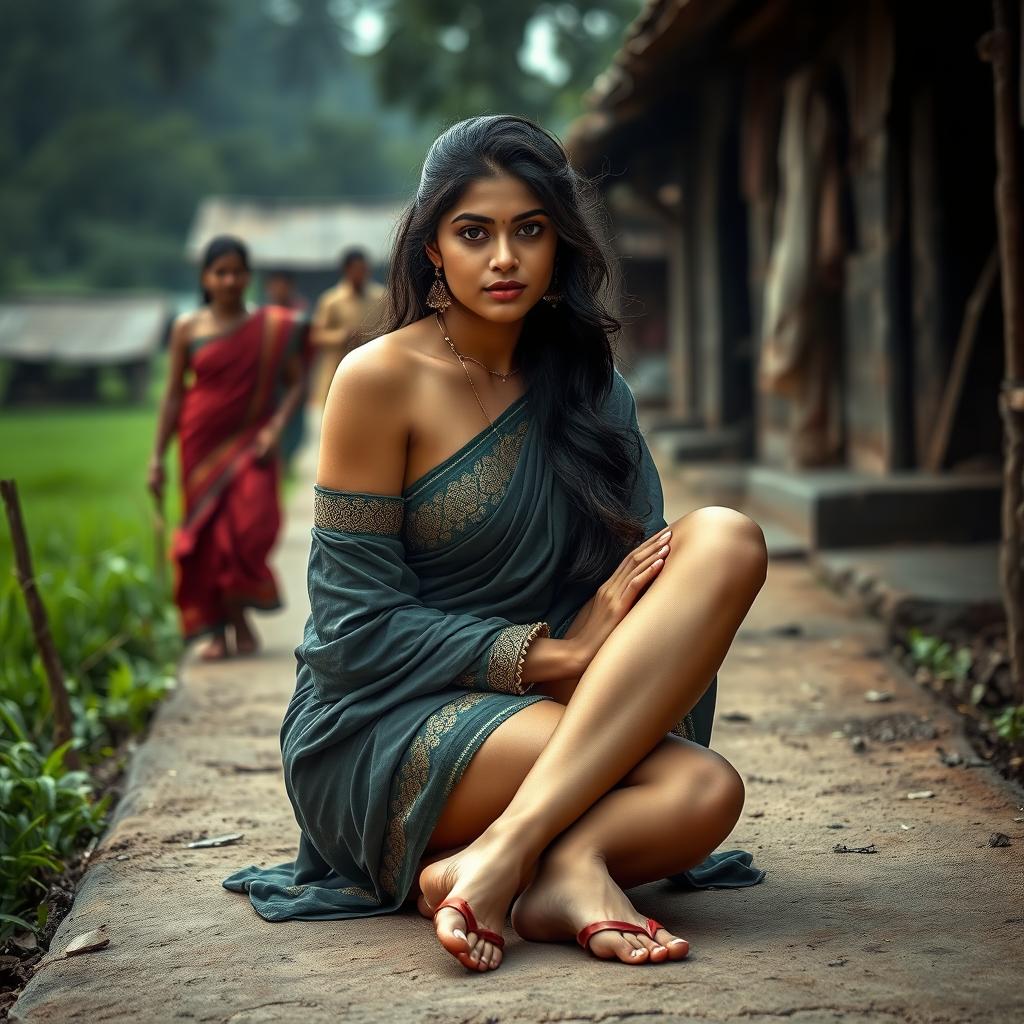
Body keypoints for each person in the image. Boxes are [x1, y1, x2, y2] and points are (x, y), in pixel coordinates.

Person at [224, 116, 767, 971]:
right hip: (388, 715)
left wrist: (598, 651)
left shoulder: (593, 390)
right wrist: (553, 655)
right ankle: (536, 853)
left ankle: (537, 861)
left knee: (725, 571)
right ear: (432, 248)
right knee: (671, 781)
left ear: (561, 245)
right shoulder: (378, 381)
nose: (503, 258)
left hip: (566, 712)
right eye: (474, 233)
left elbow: (654, 596)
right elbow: (354, 632)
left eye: (530, 230)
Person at [149, 236, 306, 660]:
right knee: (207, 540)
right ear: (206, 278)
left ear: (248, 276)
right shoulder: (188, 328)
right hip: (199, 445)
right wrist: (156, 458)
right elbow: (173, 396)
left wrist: (275, 429)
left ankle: (235, 619)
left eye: (237, 271)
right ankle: (224, 628)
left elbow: (296, 383)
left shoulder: (272, 327)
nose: (230, 280)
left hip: (253, 442)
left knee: (248, 530)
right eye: (221, 272)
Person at [310, 247, 386, 407]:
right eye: (355, 269)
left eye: (363, 269)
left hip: (372, 370)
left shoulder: (381, 297)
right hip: (336, 370)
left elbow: (391, 329)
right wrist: (342, 336)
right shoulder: (331, 300)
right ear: (346, 270)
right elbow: (316, 335)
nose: (360, 274)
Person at [262, 269, 313, 473]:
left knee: (294, 425)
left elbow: (309, 350)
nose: (278, 290)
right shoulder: (262, 316)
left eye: (282, 285)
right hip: (268, 381)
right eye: (275, 285)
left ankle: (287, 460)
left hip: (294, 379)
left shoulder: (300, 316)